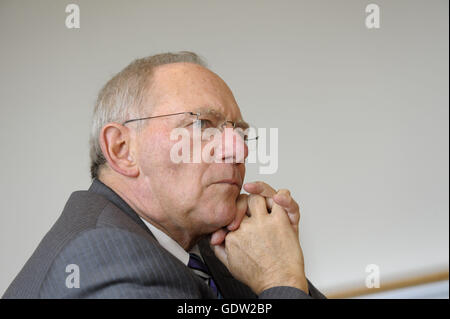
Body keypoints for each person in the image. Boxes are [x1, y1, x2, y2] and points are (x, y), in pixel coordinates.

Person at [3, 52, 326, 299]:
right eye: (202, 125)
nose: (238, 150)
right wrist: (280, 278)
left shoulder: (207, 246)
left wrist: (280, 262)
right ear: (122, 150)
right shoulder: (102, 256)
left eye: (239, 132)